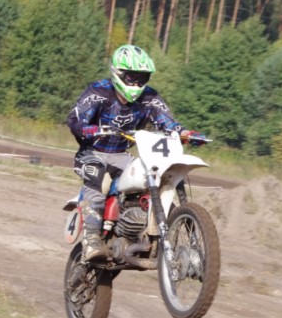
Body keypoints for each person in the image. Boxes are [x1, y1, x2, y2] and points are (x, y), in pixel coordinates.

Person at [66, 44, 199, 263]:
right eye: (131, 77)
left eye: (142, 77)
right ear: (118, 73)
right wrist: (89, 129)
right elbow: (75, 119)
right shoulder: (99, 92)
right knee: (97, 177)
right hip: (92, 152)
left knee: (149, 176)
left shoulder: (149, 97)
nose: (137, 83)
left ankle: (140, 230)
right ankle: (91, 241)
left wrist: (186, 133)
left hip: (121, 155)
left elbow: (168, 122)